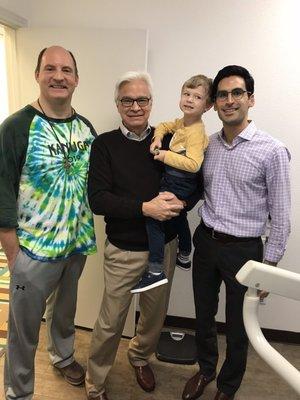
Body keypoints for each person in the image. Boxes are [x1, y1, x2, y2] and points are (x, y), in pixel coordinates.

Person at [86, 71, 202, 400]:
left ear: (151, 103)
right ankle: (95, 385)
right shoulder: (104, 144)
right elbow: (98, 199)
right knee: (110, 322)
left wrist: (181, 202)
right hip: (123, 250)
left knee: (153, 316)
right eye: (127, 100)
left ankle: (139, 357)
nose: (135, 107)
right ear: (118, 104)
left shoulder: (170, 139)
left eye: (142, 100)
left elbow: (196, 182)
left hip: (163, 247)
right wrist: (144, 208)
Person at [182, 65, 291, 400]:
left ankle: (227, 387)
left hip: (245, 253)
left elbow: (282, 217)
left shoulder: (272, 151)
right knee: (203, 314)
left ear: (250, 99)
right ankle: (205, 370)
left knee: (239, 325)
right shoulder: (208, 145)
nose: (229, 101)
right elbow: (195, 188)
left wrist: (268, 270)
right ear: (214, 104)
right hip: (207, 241)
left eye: (237, 93)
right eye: (222, 95)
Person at [0, 46, 97, 400]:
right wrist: (14, 255)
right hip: (33, 251)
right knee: (22, 331)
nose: (59, 76)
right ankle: (19, 392)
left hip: (75, 244)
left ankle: (63, 355)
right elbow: (2, 188)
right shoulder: (17, 126)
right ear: (37, 74)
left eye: (67, 69)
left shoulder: (85, 128)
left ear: (76, 79)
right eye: (51, 68)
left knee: (65, 311)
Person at [131, 74, 212, 294]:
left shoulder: (195, 131)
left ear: (208, 105)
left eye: (197, 97)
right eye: (186, 94)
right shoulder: (183, 123)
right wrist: (157, 138)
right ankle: (185, 253)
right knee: (178, 217)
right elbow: (165, 125)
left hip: (180, 181)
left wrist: (165, 155)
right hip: (173, 178)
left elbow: (194, 164)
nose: (189, 99)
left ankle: (155, 270)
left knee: (154, 218)